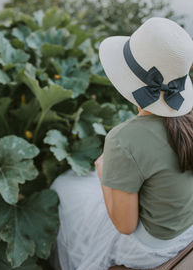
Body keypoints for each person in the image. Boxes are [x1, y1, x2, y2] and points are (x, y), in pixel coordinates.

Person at [50, 17, 193, 270]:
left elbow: (125, 226)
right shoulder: (187, 122)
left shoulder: (123, 139)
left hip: (152, 248)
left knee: (63, 186)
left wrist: (105, 174)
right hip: (186, 228)